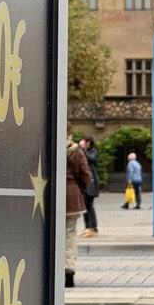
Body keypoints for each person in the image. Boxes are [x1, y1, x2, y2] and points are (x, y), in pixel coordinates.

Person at [64, 123, 92, 288]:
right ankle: (69, 269)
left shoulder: (48, 145)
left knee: (52, 235)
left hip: (50, 197)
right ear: (69, 133)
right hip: (72, 197)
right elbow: (85, 175)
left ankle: (53, 268)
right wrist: (82, 186)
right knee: (70, 234)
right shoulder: (76, 151)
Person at [79, 135, 101, 238]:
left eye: (84, 141)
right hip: (84, 184)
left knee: (90, 205)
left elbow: (91, 158)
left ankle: (93, 227)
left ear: (88, 143)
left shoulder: (93, 151)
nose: (81, 142)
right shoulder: (82, 151)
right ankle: (87, 226)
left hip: (91, 184)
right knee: (85, 206)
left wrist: (83, 149)